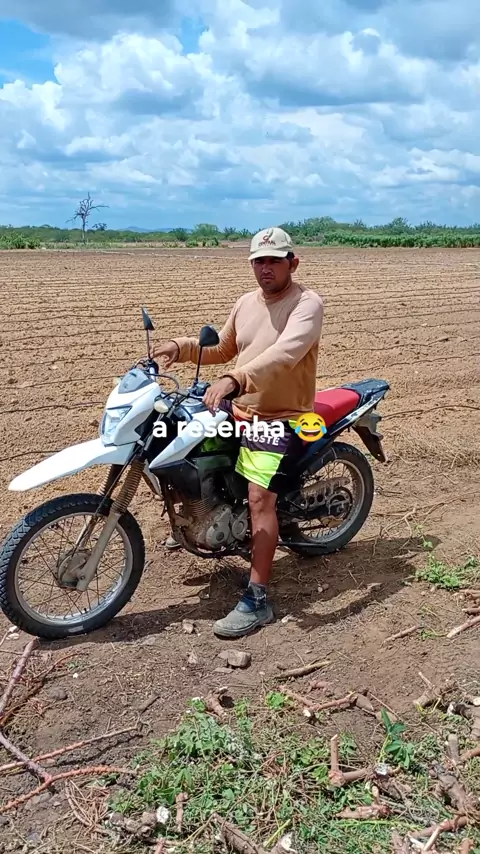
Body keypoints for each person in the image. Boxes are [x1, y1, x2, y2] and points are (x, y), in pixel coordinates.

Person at [153, 226, 324, 637]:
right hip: (240, 408)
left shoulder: (307, 304)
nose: (265, 268)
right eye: (258, 261)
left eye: (274, 261)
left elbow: (284, 354)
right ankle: (200, 518)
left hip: (280, 417)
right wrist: (180, 346)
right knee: (181, 447)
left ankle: (258, 599)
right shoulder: (246, 302)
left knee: (259, 498)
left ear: (292, 263)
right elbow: (224, 348)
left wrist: (235, 379)